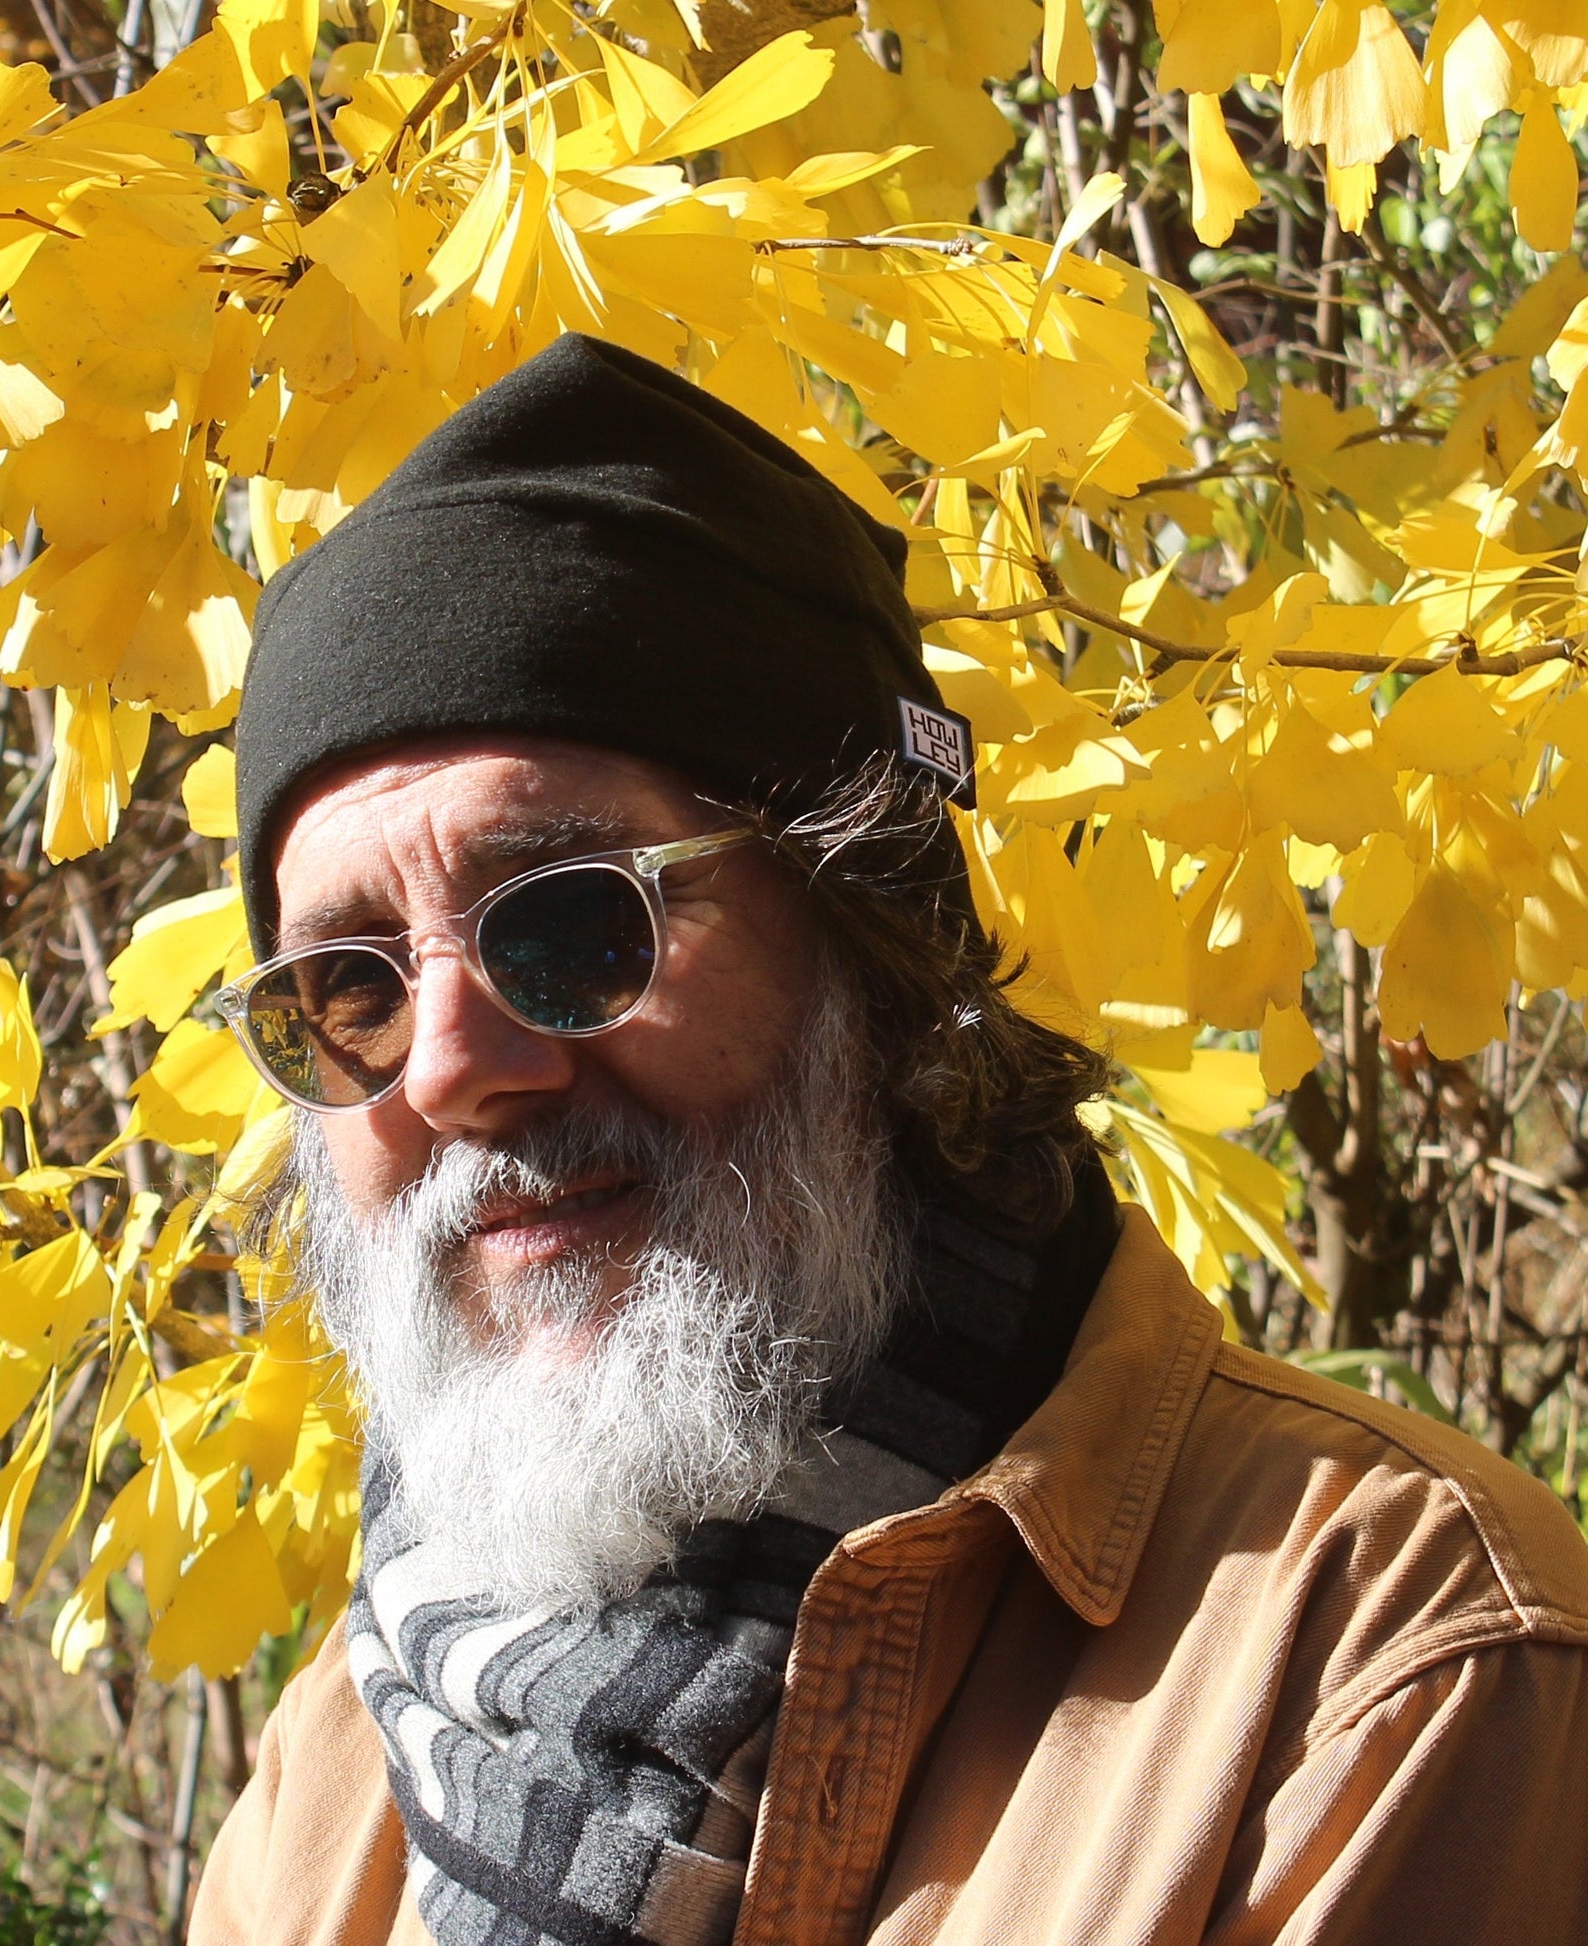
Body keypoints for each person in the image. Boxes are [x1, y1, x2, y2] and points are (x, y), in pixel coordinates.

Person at [190, 334, 1588, 1946]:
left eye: (575, 924)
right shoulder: (339, 1753)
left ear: (873, 932)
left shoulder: (1371, 1654)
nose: (448, 1070)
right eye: (348, 990)